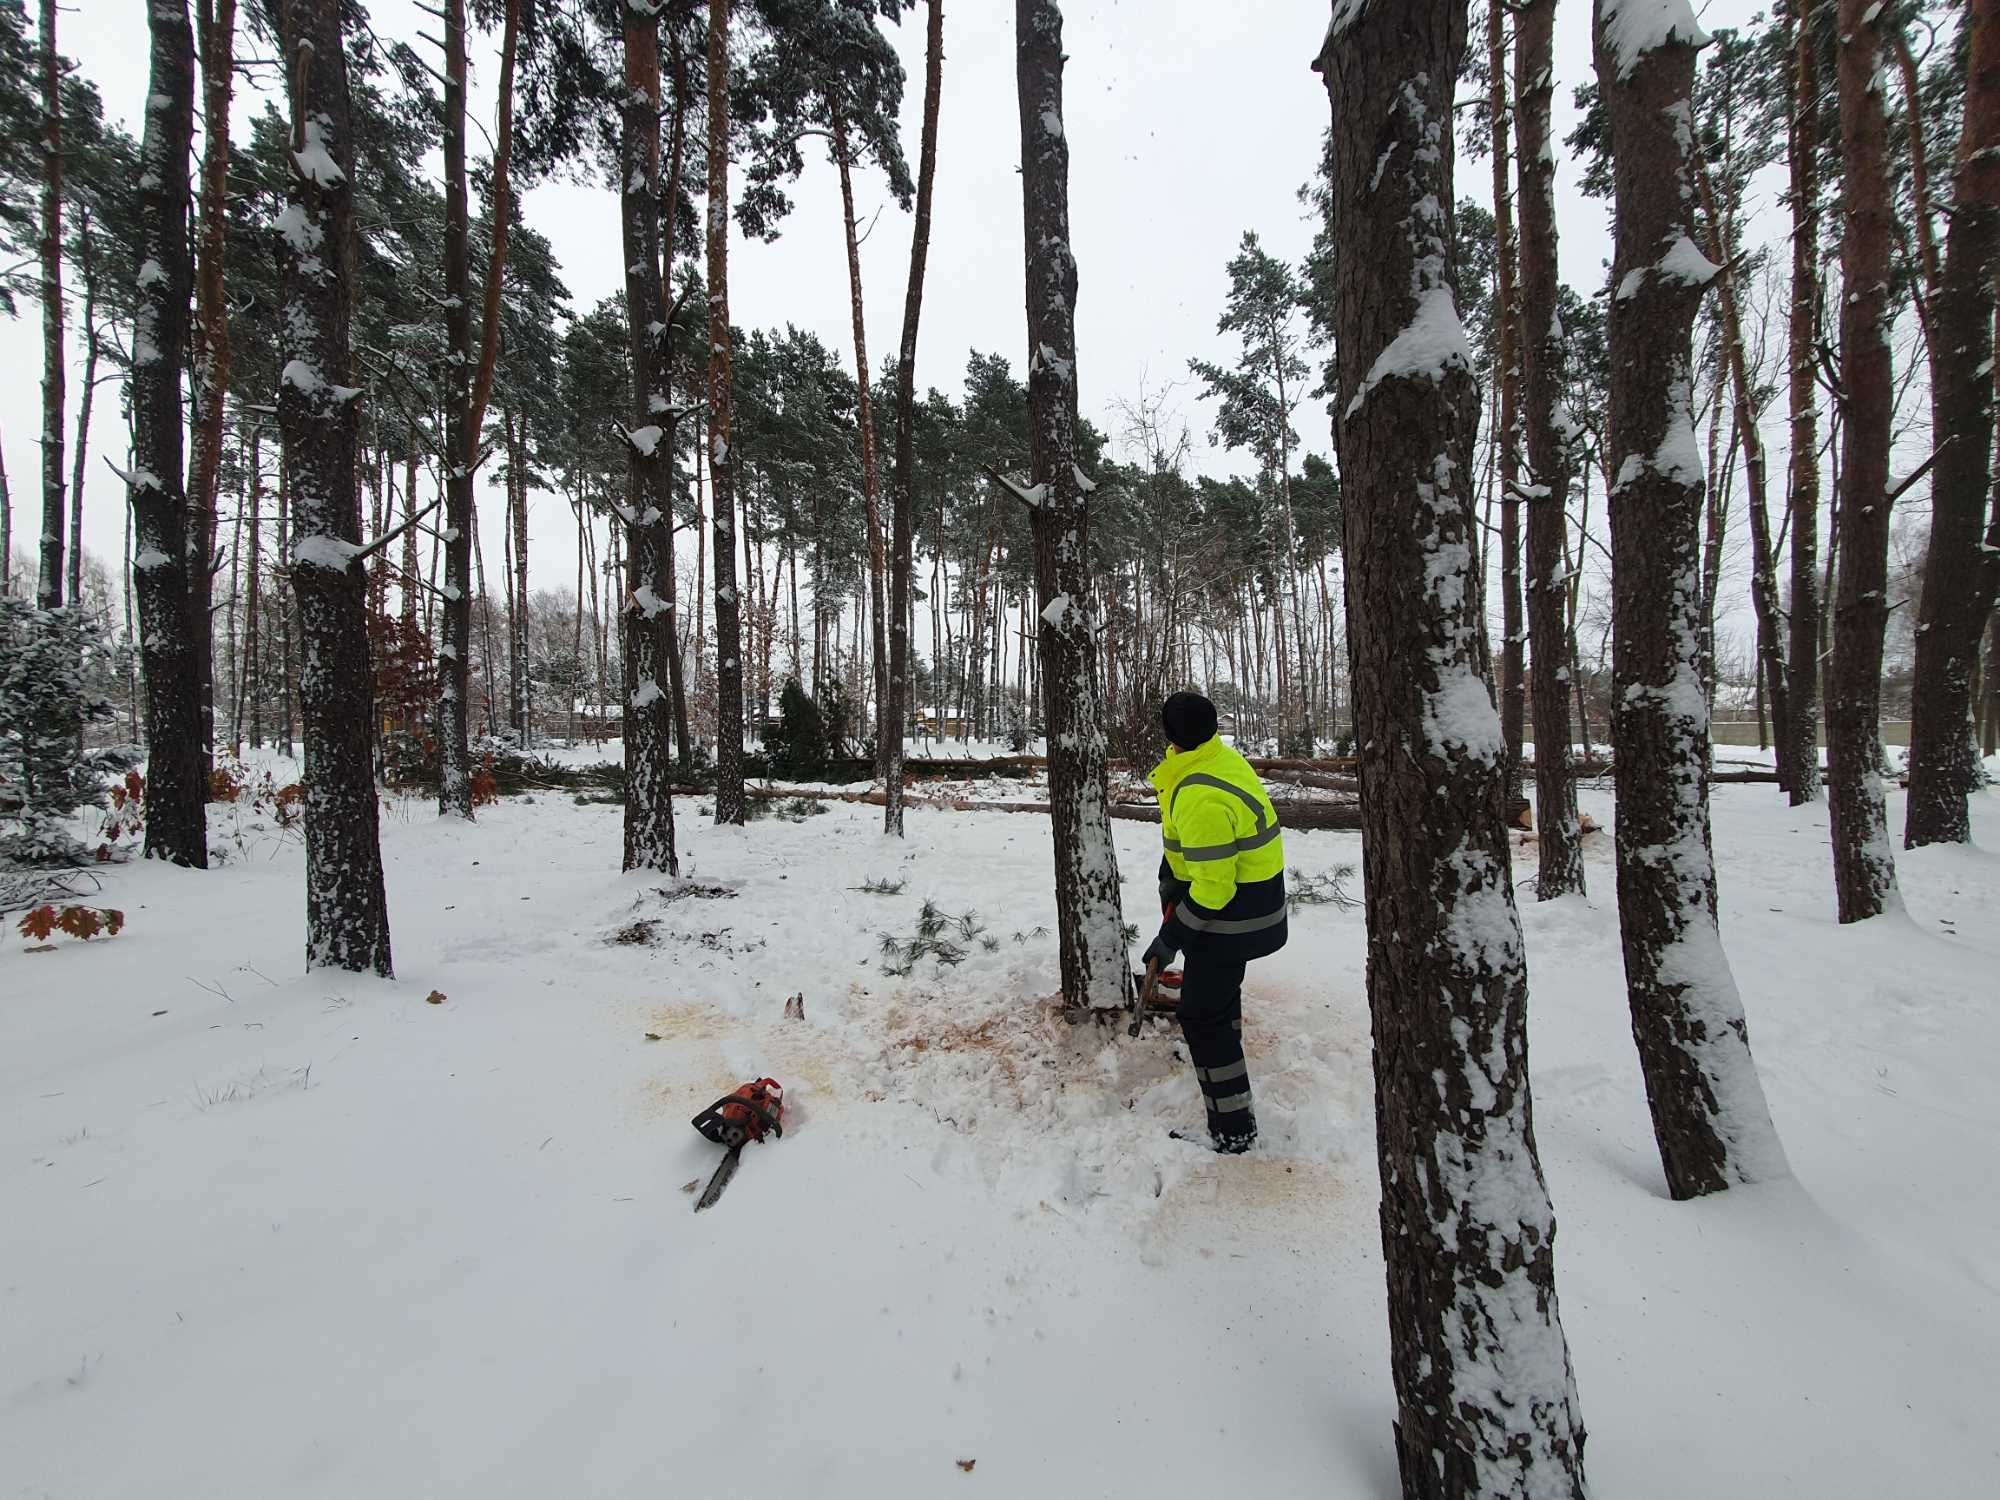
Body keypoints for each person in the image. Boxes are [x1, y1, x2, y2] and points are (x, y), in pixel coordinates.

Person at [1141, 691, 1288, 1153]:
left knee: (1200, 1014)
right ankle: (1223, 1061)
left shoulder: (1200, 793)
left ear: (1171, 735)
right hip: (1251, 909)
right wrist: (1173, 873)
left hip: (1232, 919)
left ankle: (1232, 1129)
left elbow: (1214, 890)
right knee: (1218, 1002)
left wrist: (1170, 937)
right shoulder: (1216, 759)